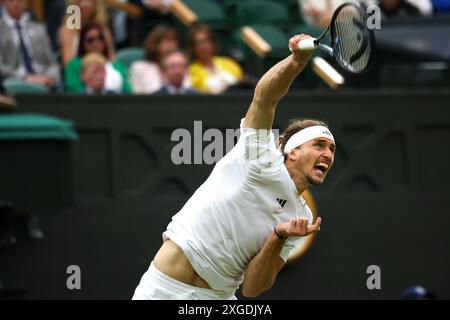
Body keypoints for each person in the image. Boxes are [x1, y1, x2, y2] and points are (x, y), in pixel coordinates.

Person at [133, 33, 335, 300]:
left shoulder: (302, 219)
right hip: (163, 289)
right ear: (293, 151)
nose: (328, 154)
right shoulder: (259, 157)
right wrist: (297, 61)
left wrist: (279, 237)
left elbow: (252, 288)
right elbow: (265, 98)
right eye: (319, 145)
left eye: (331, 149)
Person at [0, 0, 60, 89]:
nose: (16, 3)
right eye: (11, 0)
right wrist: (25, 77)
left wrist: (49, 77)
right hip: (14, 83)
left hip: (44, 81)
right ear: (3, 2)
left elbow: (52, 63)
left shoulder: (39, 29)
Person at [64, 22, 131, 93]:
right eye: (90, 40)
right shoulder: (74, 64)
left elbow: (127, 91)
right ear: (82, 43)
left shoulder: (117, 65)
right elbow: (73, 91)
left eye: (100, 38)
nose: (96, 43)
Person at [187, 24, 243, 94]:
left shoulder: (229, 63)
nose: (203, 47)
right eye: (198, 43)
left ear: (213, 43)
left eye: (206, 41)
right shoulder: (190, 71)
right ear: (193, 48)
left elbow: (241, 85)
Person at [58, 0, 115, 67]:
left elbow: (112, 59)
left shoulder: (104, 30)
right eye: (80, 1)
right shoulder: (66, 31)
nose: (85, 5)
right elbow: (68, 64)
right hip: (77, 73)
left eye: (89, 0)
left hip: (104, 70)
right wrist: (91, 61)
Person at [129, 25, 179, 94]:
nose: (172, 45)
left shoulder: (180, 68)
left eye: (174, 41)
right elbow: (137, 97)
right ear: (155, 43)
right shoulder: (139, 68)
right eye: (167, 41)